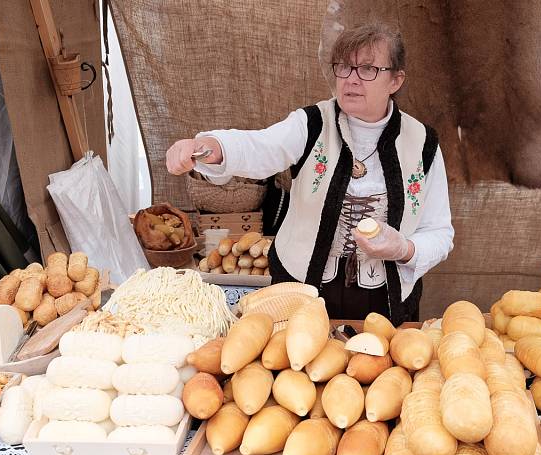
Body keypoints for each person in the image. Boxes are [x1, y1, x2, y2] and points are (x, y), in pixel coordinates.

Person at [166, 22, 454, 324]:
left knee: (376, 367)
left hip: (385, 300)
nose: (351, 79)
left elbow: (439, 231)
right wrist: (212, 146)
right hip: (301, 287)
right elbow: (262, 146)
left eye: (368, 69)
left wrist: (405, 249)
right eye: (344, 67)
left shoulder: (422, 143)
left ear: (395, 80)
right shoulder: (312, 123)